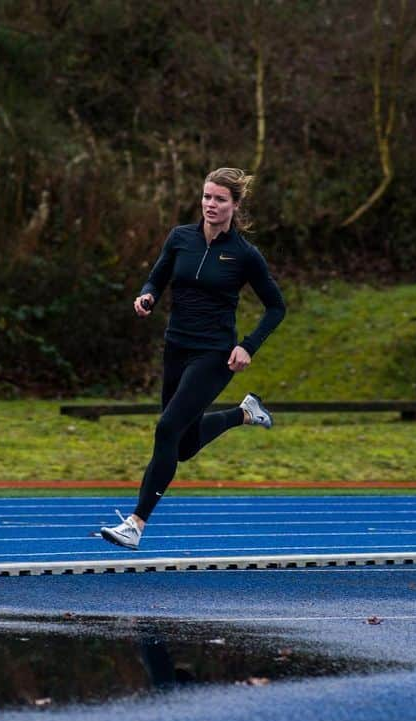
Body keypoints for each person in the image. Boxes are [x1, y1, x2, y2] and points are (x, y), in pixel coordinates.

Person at [101, 168, 286, 550]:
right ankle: (244, 413)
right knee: (182, 446)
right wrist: (147, 296)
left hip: (215, 354)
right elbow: (157, 277)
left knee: (167, 429)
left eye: (219, 199)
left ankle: (136, 524)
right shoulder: (180, 238)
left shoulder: (244, 255)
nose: (210, 205)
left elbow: (276, 307)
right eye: (206, 197)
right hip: (176, 348)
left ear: (234, 205)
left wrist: (248, 346)